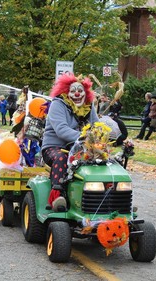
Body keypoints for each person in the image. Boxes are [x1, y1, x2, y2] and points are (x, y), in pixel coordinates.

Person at [41, 73, 99, 211]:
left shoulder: (88, 106)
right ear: (66, 91)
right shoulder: (57, 104)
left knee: (103, 160)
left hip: (81, 147)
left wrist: (102, 137)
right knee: (62, 158)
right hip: (55, 147)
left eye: (80, 91)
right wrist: (84, 137)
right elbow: (61, 129)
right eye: (73, 91)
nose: (77, 94)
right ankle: (57, 197)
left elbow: (96, 125)